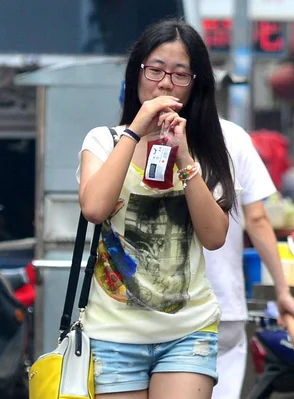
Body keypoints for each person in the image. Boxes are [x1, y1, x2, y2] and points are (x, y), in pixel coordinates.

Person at [77, 18, 237, 399]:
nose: (165, 83)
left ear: (195, 83)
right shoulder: (103, 141)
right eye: (156, 70)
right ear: (137, 74)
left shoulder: (207, 150)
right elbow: (95, 209)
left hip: (188, 331)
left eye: (180, 74)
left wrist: (184, 157)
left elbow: (215, 237)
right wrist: (135, 130)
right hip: (113, 333)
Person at [204, 118, 294, 399]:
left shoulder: (136, 134)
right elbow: (257, 219)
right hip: (222, 301)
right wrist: (282, 292)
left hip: (156, 310)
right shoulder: (232, 136)